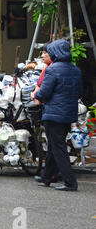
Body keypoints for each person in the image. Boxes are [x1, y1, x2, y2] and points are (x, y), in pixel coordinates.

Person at [33, 39, 82, 191]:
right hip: (68, 113)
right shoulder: (75, 69)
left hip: (54, 114)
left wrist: (34, 95)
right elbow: (80, 92)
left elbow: (44, 92)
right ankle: (47, 176)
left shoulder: (53, 69)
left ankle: (70, 182)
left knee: (58, 147)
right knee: (55, 145)